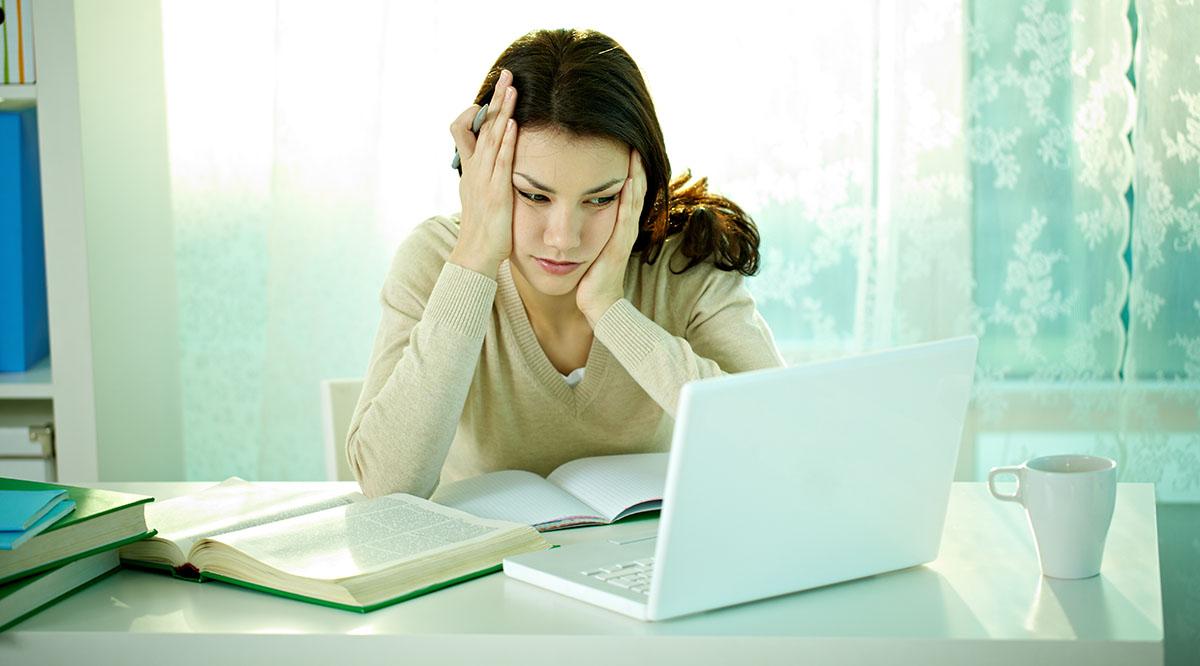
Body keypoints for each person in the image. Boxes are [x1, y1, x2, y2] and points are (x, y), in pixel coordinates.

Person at [347, 28, 784, 499]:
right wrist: (474, 257)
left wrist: (609, 308)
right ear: (479, 173)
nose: (563, 238)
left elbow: (781, 441)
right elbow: (386, 488)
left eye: (601, 199)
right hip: (482, 567)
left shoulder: (683, 260)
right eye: (534, 195)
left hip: (641, 560)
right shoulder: (436, 259)